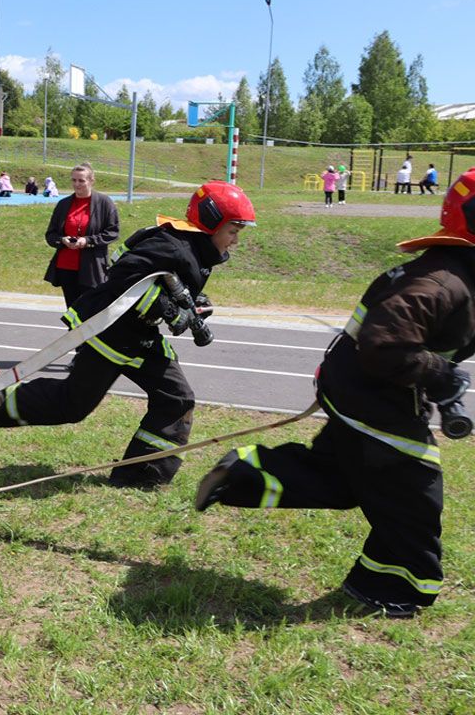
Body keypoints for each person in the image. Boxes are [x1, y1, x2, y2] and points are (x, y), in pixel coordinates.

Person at [195, 170, 475, 618]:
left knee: (347, 479)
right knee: (415, 488)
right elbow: (386, 345)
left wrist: (438, 378)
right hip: (369, 393)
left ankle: (248, 474)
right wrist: (440, 376)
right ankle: (394, 588)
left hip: (358, 385)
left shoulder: (455, 274)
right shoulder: (441, 283)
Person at [0, 182, 257, 488]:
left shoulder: (194, 248)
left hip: (140, 335)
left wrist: (192, 304)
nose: (235, 240)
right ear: (209, 222)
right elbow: (123, 277)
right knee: (73, 405)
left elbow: (165, 283)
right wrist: (168, 309)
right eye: (233, 231)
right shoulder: (173, 244)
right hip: (110, 331)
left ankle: (140, 476)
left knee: (177, 398)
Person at [43, 164, 121, 309]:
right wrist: (62, 240)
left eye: (81, 181)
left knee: (92, 311)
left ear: (91, 181)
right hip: (66, 266)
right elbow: (50, 234)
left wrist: (88, 241)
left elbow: (113, 232)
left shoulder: (104, 203)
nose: (76, 184)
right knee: (73, 311)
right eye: (74, 180)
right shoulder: (63, 204)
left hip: (91, 267)